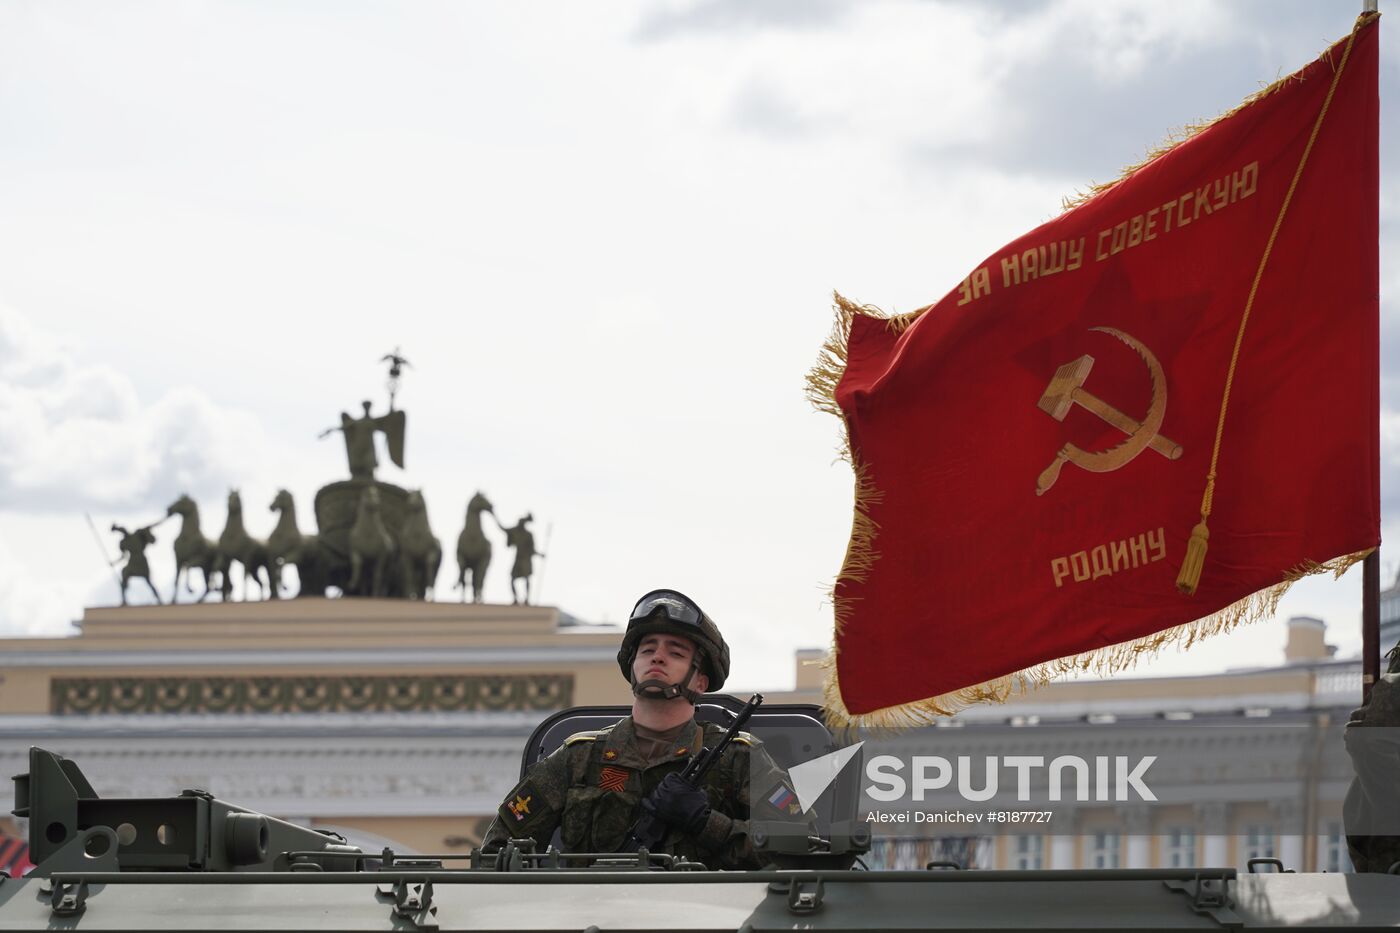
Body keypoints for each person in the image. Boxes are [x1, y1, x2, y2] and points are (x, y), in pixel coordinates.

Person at [480, 589, 806, 869]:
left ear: (700, 681)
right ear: (632, 667)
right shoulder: (579, 758)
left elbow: (802, 844)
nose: (658, 658)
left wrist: (706, 822)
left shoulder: (737, 759)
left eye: (675, 653)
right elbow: (498, 851)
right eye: (648, 650)